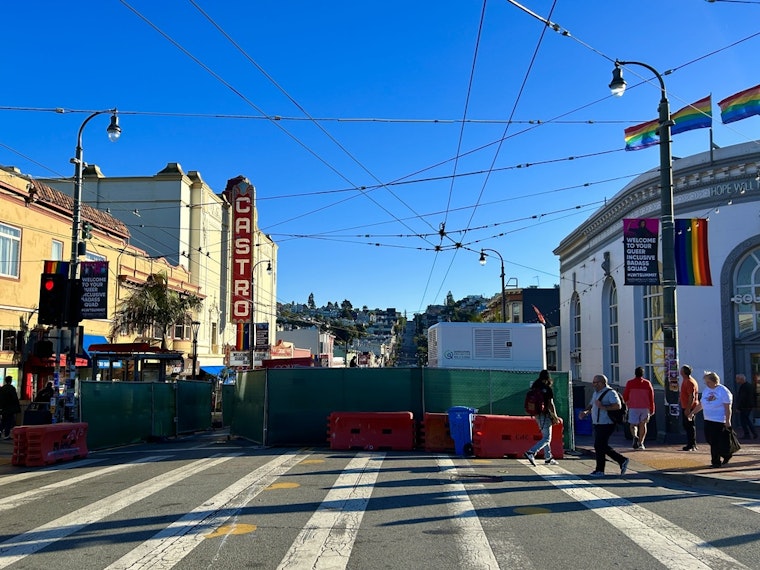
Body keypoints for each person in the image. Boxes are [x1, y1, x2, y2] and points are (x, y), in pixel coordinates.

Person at [578, 374, 630, 477]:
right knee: (601, 445)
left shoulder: (610, 393)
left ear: (602, 383)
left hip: (607, 423)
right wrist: (585, 412)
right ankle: (620, 461)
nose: (594, 385)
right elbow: (592, 405)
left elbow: (617, 406)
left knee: (599, 445)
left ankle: (601, 470)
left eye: (596, 382)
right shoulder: (596, 393)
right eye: (593, 382)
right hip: (598, 423)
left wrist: (603, 407)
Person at [689, 371, 734, 468]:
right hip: (708, 419)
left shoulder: (723, 391)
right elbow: (701, 404)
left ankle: (716, 462)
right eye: (706, 382)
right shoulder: (706, 390)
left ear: (715, 381)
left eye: (708, 382)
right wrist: (693, 413)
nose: (707, 384)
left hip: (719, 420)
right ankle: (726, 454)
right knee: (710, 440)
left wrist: (727, 420)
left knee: (715, 442)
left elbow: (727, 407)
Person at [523, 369, 561, 466]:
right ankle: (531, 452)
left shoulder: (535, 387)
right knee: (547, 438)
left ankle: (548, 457)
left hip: (536, 414)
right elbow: (550, 404)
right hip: (545, 415)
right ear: (548, 378)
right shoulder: (547, 389)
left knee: (545, 436)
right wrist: (555, 416)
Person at [623, 366, 655, 450]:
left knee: (633, 424)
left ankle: (635, 436)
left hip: (633, 407)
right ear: (643, 374)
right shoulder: (647, 383)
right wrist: (652, 408)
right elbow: (651, 397)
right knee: (643, 424)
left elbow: (625, 395)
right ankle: (641, 443)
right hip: (644, 407)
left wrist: (625, 402)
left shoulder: (630, 383)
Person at [679, 365, 699, 451]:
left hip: (690, 407)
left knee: (690, 426)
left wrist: (688, 408)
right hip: (685, 405)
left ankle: (692, 444)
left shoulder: (690, 382)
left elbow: (692, 396)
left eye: (681, 370)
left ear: (684, 372)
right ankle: (691, 443)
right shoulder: (685, 381)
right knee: (687, 425)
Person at [734, 374, 758, 440]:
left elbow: (742, 398)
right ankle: (753, 433)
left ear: (741, 379)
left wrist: (738, 407)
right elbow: (754, 395)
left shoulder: (744, 387)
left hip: (744, 406)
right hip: (749, 406)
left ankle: (748, 434)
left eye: (737, 379)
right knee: (746, 420)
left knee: (744, 421)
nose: (736, 380)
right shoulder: (750, 386)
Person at [0, 376, 21, 440]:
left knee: (3, 421)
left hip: (3, 408)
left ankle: (0, 432)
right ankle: (6, 435)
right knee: (9, 422)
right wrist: (17, 408)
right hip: (10, 408)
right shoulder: (11, 388)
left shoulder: (2, 388)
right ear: (10, 381)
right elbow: (15, 399)